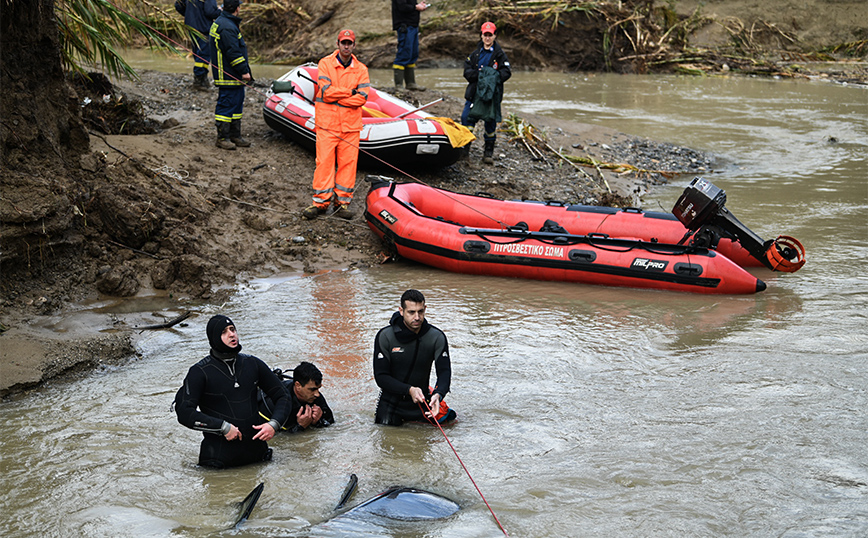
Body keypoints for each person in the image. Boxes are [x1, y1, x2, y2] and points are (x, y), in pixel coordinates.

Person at [175, 315, 291, 468]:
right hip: (218, 463)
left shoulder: (252, 364)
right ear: (214, 338)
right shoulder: (200, 372)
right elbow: (184, 412)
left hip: (258, 458)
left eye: (233, 329)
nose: (231, 334)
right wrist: (222, 427)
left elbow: (283, 396)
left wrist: (273, 424)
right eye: (224, 332)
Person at [302, 29, 370, 221]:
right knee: (324, 163)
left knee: (348, 165)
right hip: (327, 125)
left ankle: (342, 202)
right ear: (338, 44)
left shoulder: (361, 69)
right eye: (343, 43)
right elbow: (325, 91)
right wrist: (350, 92)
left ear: (354, 45)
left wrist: (338, 98)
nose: (346, 46)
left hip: (350, 127)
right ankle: (320, 203)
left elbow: (363, 98)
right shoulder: (325, 64)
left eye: (349, 43)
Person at [373, 289, 457, 426]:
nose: (417, 317)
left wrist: (438, 394)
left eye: (420, 311)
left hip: (422, 401)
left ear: (425, 309)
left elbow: (444, 372)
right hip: (391, 404)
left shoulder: (436, 337)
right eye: (411, 312)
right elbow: (381, 377)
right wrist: (409, 390)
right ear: (401, 311)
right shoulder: (385, 336)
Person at [461, 21, 511, 165]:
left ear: (495, 36)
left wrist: (491, 78)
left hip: (491, 97)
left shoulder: (500, 55)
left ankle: (488, 153)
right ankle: (465, 152)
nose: (488, 38)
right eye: (485, 35)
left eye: (490, 35)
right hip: (474, 95)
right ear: (481, 36)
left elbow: (506, 72)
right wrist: (480, 76)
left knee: (490, 124)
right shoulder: (475, 54)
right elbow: (467, 72)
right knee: (466, 119)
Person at [209, 0, 251, 150]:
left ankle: (235, 135)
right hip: (228, 74)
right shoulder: (227, 26)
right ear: (237, 9)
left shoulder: (226, 22)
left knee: (237, 105)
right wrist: (244, 71)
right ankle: (222, 138)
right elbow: (233, 53)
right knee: (226, 106)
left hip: (232, 74)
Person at [259, 361, 335, 433]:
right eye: (312, 389)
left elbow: (331, 424)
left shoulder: (314, 396)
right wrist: (300, 426)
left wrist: (318, 421)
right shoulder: (274, 402)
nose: (317, 394)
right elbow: (275, 438)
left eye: (318, 388)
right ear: (298, 386)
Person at [174, 0, 220, 90]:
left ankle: (202, 79)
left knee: (198, 53)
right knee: (204, 55)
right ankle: (199, 81)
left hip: (191, 26)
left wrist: (189, 15)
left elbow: (178, 5)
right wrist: (220, 11)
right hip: (203, 28)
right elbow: (210, 12)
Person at [391, 0, 428, 91]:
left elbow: (410, 5)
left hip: (413, 25)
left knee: (413, 54)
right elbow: (402, 7)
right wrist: (416, 7)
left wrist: (419, 5)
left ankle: (411, 83)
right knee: (404, 53)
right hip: (405, 26)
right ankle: (398, 85)